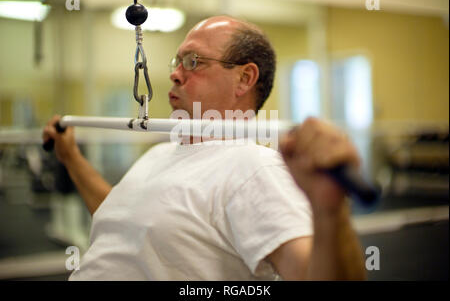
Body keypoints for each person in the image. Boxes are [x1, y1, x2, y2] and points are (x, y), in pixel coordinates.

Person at [43, 16, 366, 280]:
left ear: (244, 78)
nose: (174, 73)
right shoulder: (161, 153)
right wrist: (71, 158)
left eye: (193, 61)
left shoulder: (254, 167)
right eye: (177, 60)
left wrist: (330, 212)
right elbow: (119, 217)